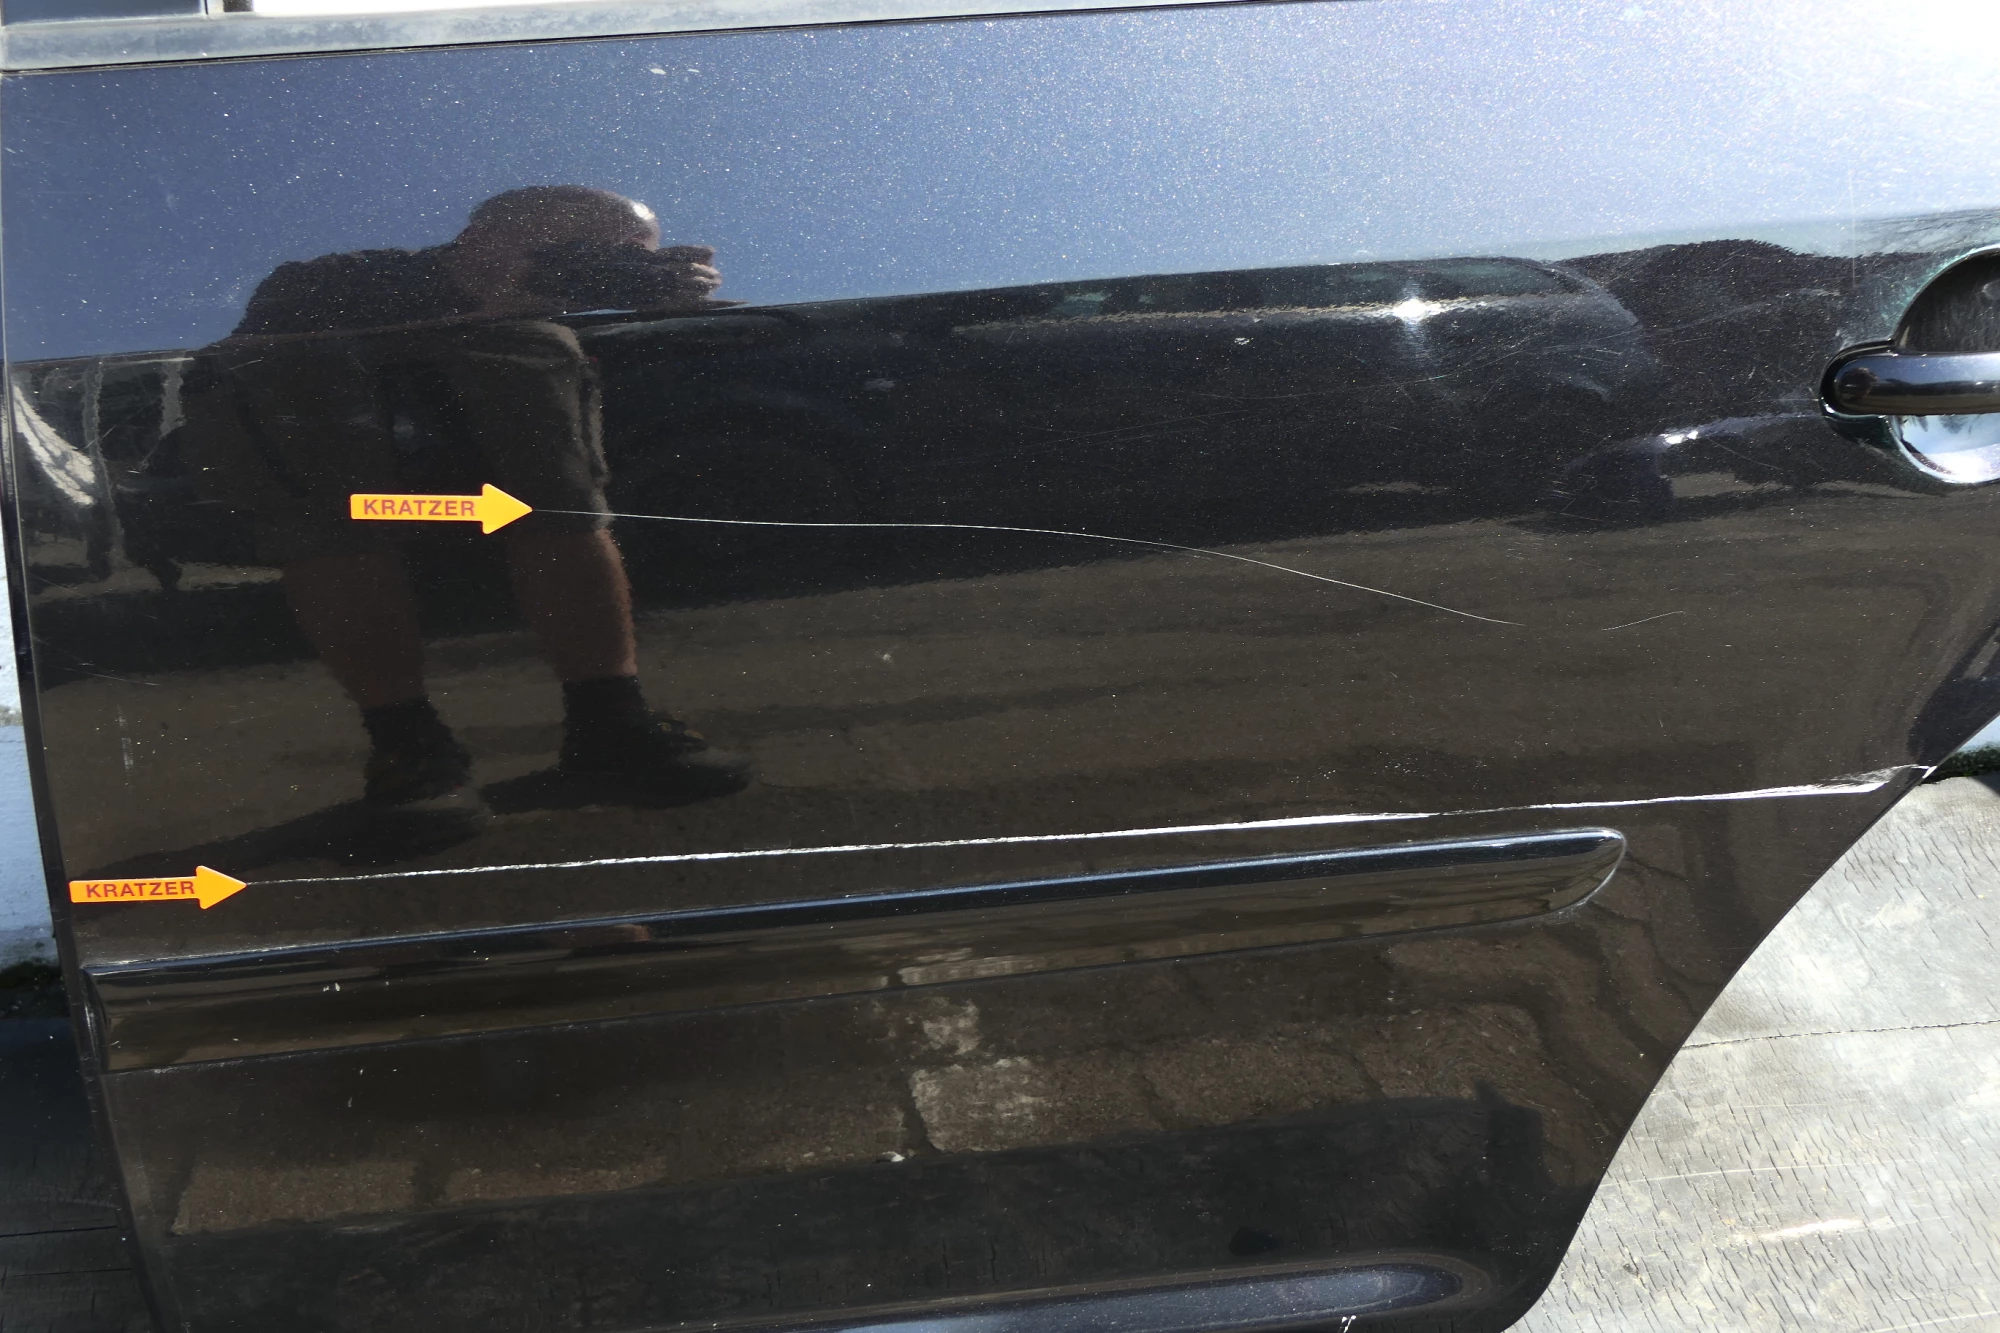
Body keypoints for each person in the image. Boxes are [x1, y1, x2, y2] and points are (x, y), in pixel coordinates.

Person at [184, 185, 749, 815]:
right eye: (583, 251)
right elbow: (257, 373)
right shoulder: (328, 279)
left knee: (557, 473)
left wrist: (660, 301)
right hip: (357, 486)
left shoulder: (549, 322)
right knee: (326, 511)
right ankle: (407, 745)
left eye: (631, 259)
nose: (601, 269)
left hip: (499, 482)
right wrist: (502, 300)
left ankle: (611, 717)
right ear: (481, 238)